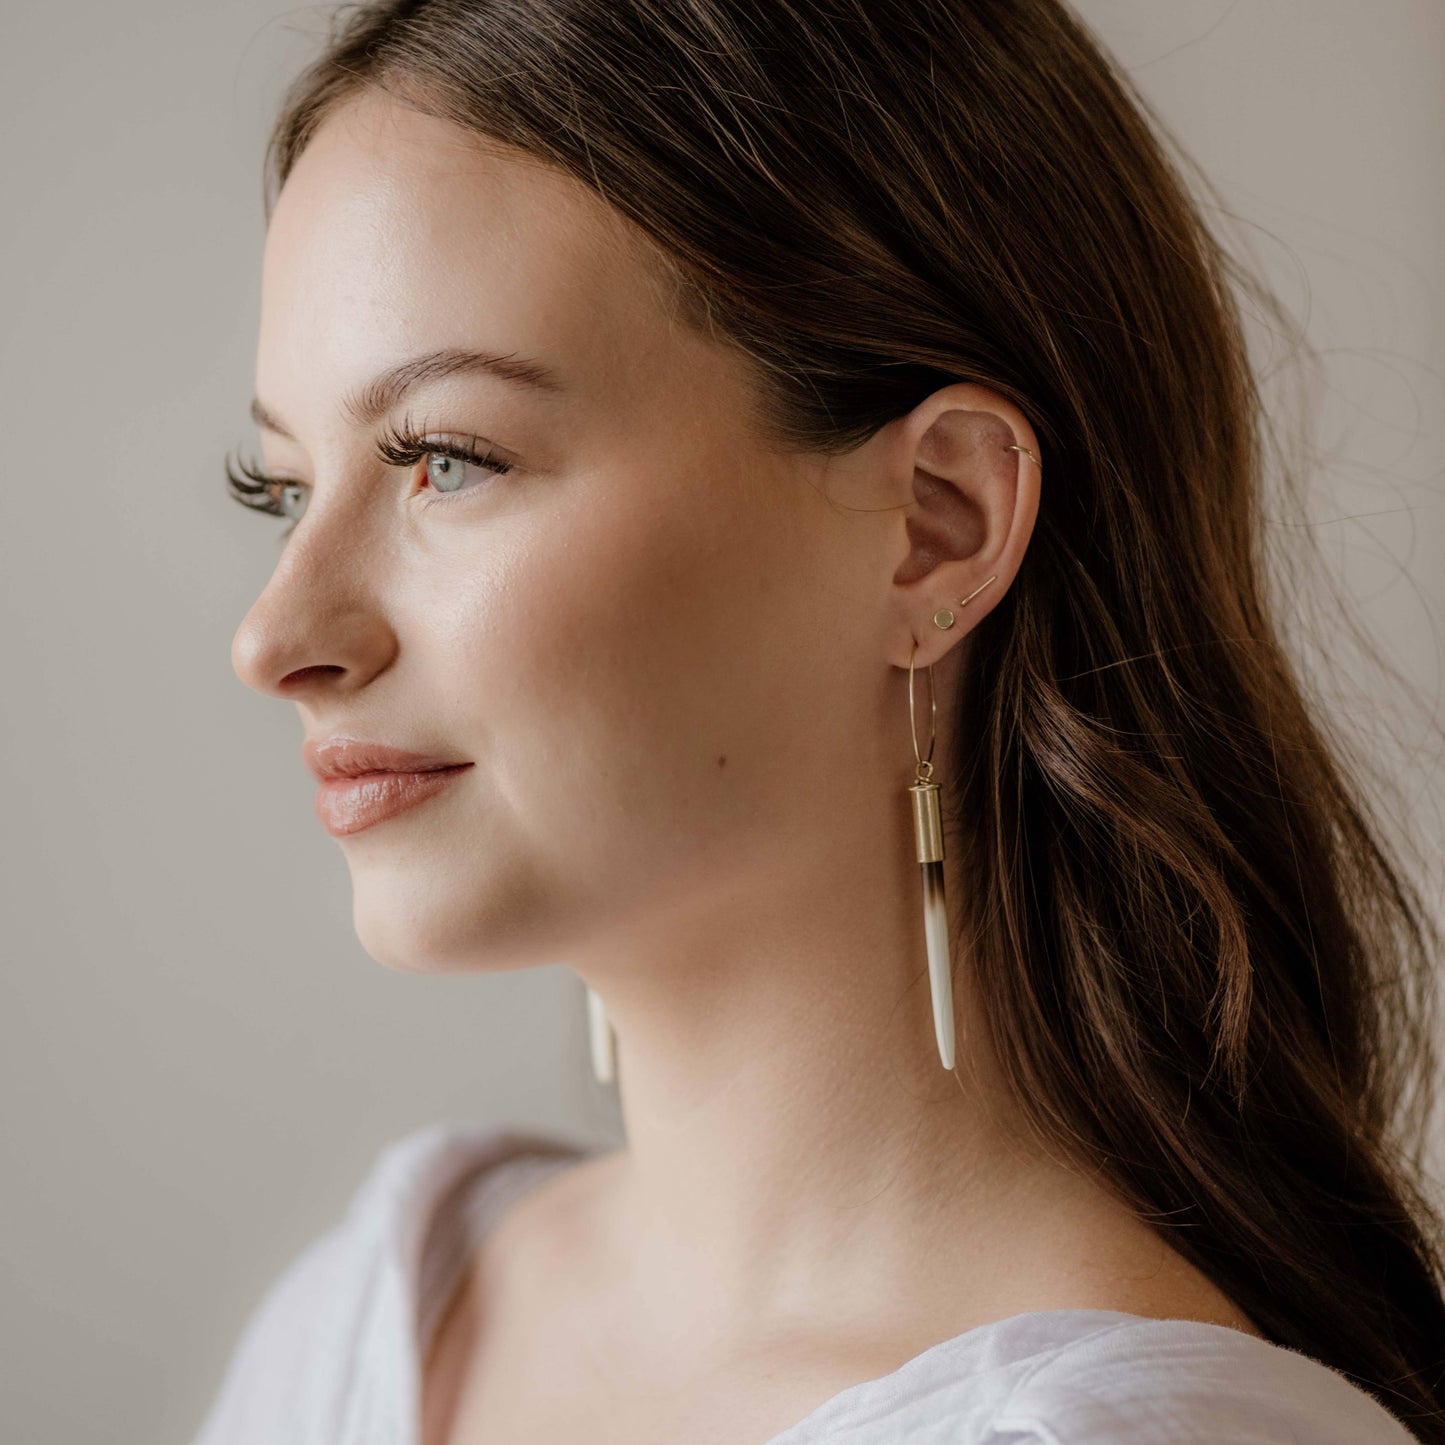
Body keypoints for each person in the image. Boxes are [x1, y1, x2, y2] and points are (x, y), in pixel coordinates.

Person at [195, 1, 1445, 1441]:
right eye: (282, 487)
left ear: (936, 523)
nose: (274, 636)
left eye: (446, 459)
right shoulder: (370, 1317)